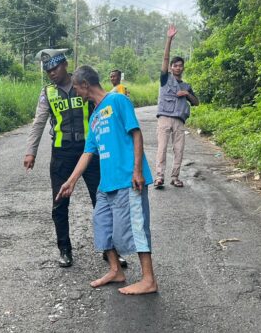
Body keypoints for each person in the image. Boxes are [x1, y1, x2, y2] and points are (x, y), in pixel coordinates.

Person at [56, 65, 158, 295]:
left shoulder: (118, 100)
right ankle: (115, 270)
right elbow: (88, 152)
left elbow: (136, 133)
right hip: (106, 184)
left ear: (85, 85)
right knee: (102, 225)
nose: (76, 93)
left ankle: (149, 279)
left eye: (76, 88)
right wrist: (71, 181)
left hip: (127, 179)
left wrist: (137, 170)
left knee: (136, 226)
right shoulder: (94, 115)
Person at [24, 48, 126, 269]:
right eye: (48, 70)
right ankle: (64, 249)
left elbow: (103, 108)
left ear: (65, 65)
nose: (52, 73)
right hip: (61, 154)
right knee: (59, 203)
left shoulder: (83, 85)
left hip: (90, 152)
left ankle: (110, 251)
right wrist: (31, 151)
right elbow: (39, 122)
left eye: (55, 68)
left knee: (102, 201)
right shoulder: (48, 92)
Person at [155, 24, 199, 189]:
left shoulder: (186, 86)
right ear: (171, 68)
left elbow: (196, 102)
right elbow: (165, 59)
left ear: (183, 68)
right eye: (175, 65)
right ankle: (159, 177)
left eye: (180, 65)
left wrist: (186, 94)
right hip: (164, 118)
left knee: (179, 150)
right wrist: (169, 39)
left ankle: (175, 177)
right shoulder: (165, 79)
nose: (177, 67)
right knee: (162, 148)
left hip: (179, 121)